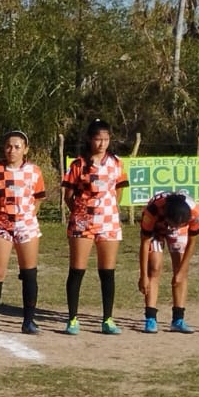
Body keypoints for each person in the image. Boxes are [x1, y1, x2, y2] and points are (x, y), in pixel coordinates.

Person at [61, 118, 129, 335]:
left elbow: (118, 190)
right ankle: (72, 318)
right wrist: (81, 211)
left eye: (106, 139)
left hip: (108, 222)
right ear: (90, 139)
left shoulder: (116, 163)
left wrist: (108, 208)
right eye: (98, 139)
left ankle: (107, 319)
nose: (102, 144)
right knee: (77, 270)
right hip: (82, 222)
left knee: (107, 272)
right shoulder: (78, 164)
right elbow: (68, 195)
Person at [0, 130, 47, 335]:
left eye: (17, 146)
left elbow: (38, 198)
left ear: (25, 149)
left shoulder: (34, 171)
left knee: (29, 273)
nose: (12, 150)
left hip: (26, 225)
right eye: (9, 146)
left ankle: (28, 321)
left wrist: (27, 216)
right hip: (0, 225)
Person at [139, 191, 199, 334]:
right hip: (156, 228)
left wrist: (181, 271)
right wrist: (143, 276)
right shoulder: (152, 211)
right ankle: (150, 318)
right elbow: (145, 242)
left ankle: (178, 319)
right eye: (173, 224)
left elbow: (192, 242)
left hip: (179, 228)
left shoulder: (195, 212)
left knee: (180, 268)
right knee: (154, 268)